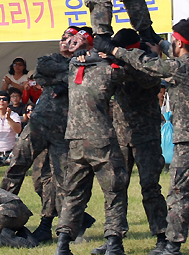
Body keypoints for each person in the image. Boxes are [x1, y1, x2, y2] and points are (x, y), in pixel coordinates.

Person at [112, 19, 189, 255]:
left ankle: (172, 245)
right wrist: (156, 39)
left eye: (173, 40)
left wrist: (116, 51)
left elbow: (145, 63)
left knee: (179, 193)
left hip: (188, 141)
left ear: (179, 42)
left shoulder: (178, 68)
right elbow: (174, 53)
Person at [93, 28, 168, 255]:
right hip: (121, 135)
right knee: (115, 188)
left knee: (150, 187)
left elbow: (145, 78)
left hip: (146, 136)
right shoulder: (114, 64)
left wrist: (118, 61)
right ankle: (114, 238)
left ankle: (163, 237)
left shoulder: (150, 61)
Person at [1, 27, 78, 245]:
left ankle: (55, 227)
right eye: (63, 39)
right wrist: (68, 79)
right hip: (39, 124)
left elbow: (85, 79)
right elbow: (42, 70)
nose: (65, 42)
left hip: (64, 132)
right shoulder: (50, 59)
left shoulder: (86, 61)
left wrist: (63, 79)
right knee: (17, 166)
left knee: (59, 181)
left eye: (71, 39)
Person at [56, 28, 127, 255]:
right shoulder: (108, 71)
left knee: (73, 193)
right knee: (114, 191)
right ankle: (114, 243)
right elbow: (128, 72)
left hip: (75, 140)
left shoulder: (73, 67)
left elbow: (71, 56)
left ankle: (63, 243)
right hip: (101, 138)